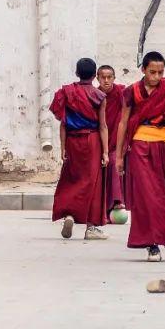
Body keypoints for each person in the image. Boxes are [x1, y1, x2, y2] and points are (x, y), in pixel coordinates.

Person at [114, 51, 165, 262]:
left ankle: (158, 239)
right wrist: (120, 155)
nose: (157, 77)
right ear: (143, 70)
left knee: (164, 196)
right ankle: (152, 243)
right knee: (148, 195)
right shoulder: (132, 92)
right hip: (141, 146)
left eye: (160, 72)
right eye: (152, 72)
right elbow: (123, 122)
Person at [49, 58, 109, 241]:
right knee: (93, 182)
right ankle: (91, 227)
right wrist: (105, 152)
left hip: (73, 141)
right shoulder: (99, 97)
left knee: (71, 179)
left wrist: (63, 148)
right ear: (94, 75)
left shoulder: (67, 93)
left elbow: (63, 124)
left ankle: (69, 215)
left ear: (77, 73)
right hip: (92, 140)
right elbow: (103, 126)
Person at [97, 65, 127, 214]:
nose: (106, 81)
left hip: (116, 140)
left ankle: (117, 201)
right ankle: (101, 206)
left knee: (115, 164)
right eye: (103, 77)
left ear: (114, 78)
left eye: (110, 77)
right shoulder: (94, 95)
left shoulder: (122, 92)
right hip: (99, 141)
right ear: (97, 78)